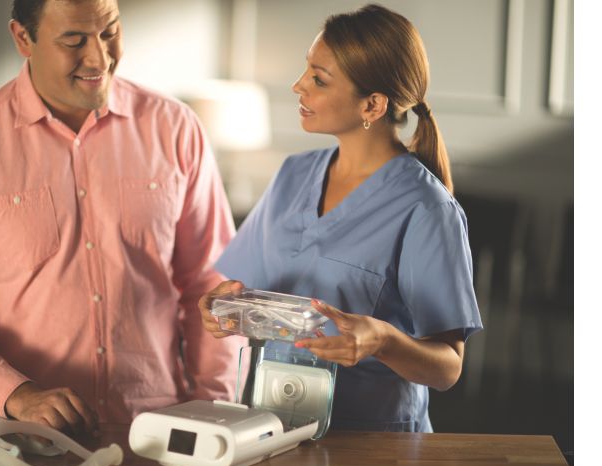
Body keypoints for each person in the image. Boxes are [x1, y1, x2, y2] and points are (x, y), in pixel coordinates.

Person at [0, 0, 244, 435]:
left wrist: (212, 407)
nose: (99, 58)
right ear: (23, 38)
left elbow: (211, 286)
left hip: (154, 430)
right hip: (14, 437)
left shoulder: (175, 129)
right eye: (74, 40)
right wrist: (17, 395)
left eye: (110, 32)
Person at [199, 4, 482, 432]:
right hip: (270, 425)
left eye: (318, 79)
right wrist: (224, 306)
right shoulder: (293, 175)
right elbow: (252, 294)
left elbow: (447, 368)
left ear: (372, 105)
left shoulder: (426, 208)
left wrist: (383, 341)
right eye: (306, 70)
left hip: (371, 442)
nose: (298, 85)